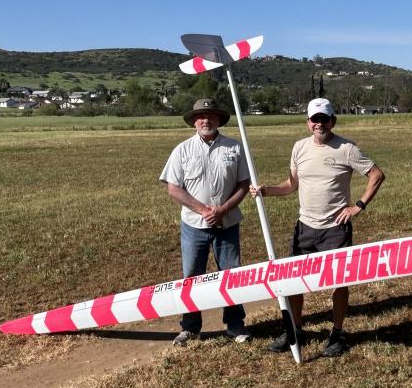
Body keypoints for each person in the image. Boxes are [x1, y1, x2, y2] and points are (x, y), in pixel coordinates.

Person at [250, 97, 385, 357]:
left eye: (324, 119)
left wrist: (358, 206)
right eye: (315, 119)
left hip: (335, 228)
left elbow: (376, 175)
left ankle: (337, 332)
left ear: (332, 120)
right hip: (305, 227)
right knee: (292, 282)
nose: (319, 124)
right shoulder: (299, 148)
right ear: (308, 123)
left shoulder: (347, 148)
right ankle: (296, 329)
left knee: (339, 282)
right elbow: (291, 185)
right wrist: (265, 190)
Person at [160, 97, 252, 345]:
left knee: (232, 275)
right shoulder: (182, 150)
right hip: (194, 225)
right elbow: (173, 188)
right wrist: (203, 210)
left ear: (219, 119)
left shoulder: (234, 148)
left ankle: (235, 325)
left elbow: (244, 184)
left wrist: (222, 209)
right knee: (191, 276)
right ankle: (190, 327)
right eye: (201, 117)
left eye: (211, 116)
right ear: (193, 122)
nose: (206, 120)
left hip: (228, 223)